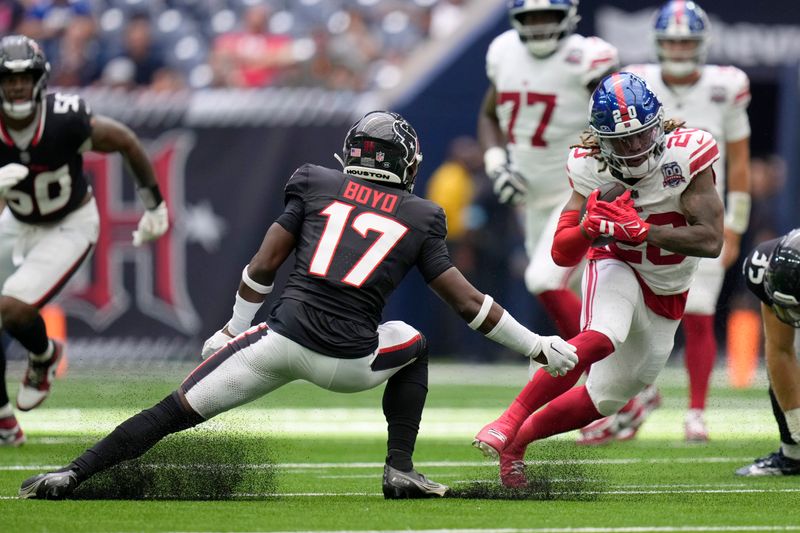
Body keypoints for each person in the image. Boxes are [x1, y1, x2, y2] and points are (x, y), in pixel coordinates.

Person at [18, 111, 579, 499]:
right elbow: (468, 304)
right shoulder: (420, 214)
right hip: (356, 363)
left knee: (170, 413)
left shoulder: (315, 182)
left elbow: (263, 265)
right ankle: (399, 469)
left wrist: (232, 328)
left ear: (354, 155)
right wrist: (537, 343)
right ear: (403, 162)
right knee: (415, 342)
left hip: (279, 344)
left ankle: (73, 473)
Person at [473, 72, 724, 488]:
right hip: (617, 264)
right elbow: (561, 252)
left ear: (658, 125)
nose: (633, 148)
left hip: (668, 289)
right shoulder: (588, 164)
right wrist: (590, 227)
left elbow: (711, 240)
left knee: (611, 395)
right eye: (621, 141)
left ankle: (518, 443)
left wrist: (644, 231)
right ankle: (509, 419)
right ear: (599, 139)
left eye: (641, 136)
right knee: (605, 333)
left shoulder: (688, 155)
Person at [578, 0, 752, 445]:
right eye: (671, 40)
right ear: (658, 43)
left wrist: (734, 224)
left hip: (695, 214)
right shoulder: (638, 80)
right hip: (638, 212)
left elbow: (739, 161)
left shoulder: (725, 85)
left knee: (698, 312)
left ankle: (695, 412)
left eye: (686, 41)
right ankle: (637, 394)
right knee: (624, 314)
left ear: (702, 44)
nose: (677, 49)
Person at [0, 35, 168, 447]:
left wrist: (155, 206)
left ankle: (44, 356)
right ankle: (4, 420)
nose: (18, 86)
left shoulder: (64, 118)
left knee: (10, 306)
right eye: (9, 78)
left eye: (26, 77)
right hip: (17, 218)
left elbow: (125, 141)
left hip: (69, 221)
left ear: (41, 80)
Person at [479, 0, 618, 340]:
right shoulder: (503, 51)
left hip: (575, 193)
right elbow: (489, 114)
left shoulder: (586, 57)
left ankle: (591, 366)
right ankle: (637, 387)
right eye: (531, 17)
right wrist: (497, 165)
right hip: (531, 198)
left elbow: (617, 121)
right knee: (583, 294)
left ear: (568, 15)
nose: (540, 25)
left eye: (548, 16)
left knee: (543, 279)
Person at [735, 229, 800, 475]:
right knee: (784, 363)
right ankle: (793, 455)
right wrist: (797, 425)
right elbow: (780, 350)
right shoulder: (762, 265)